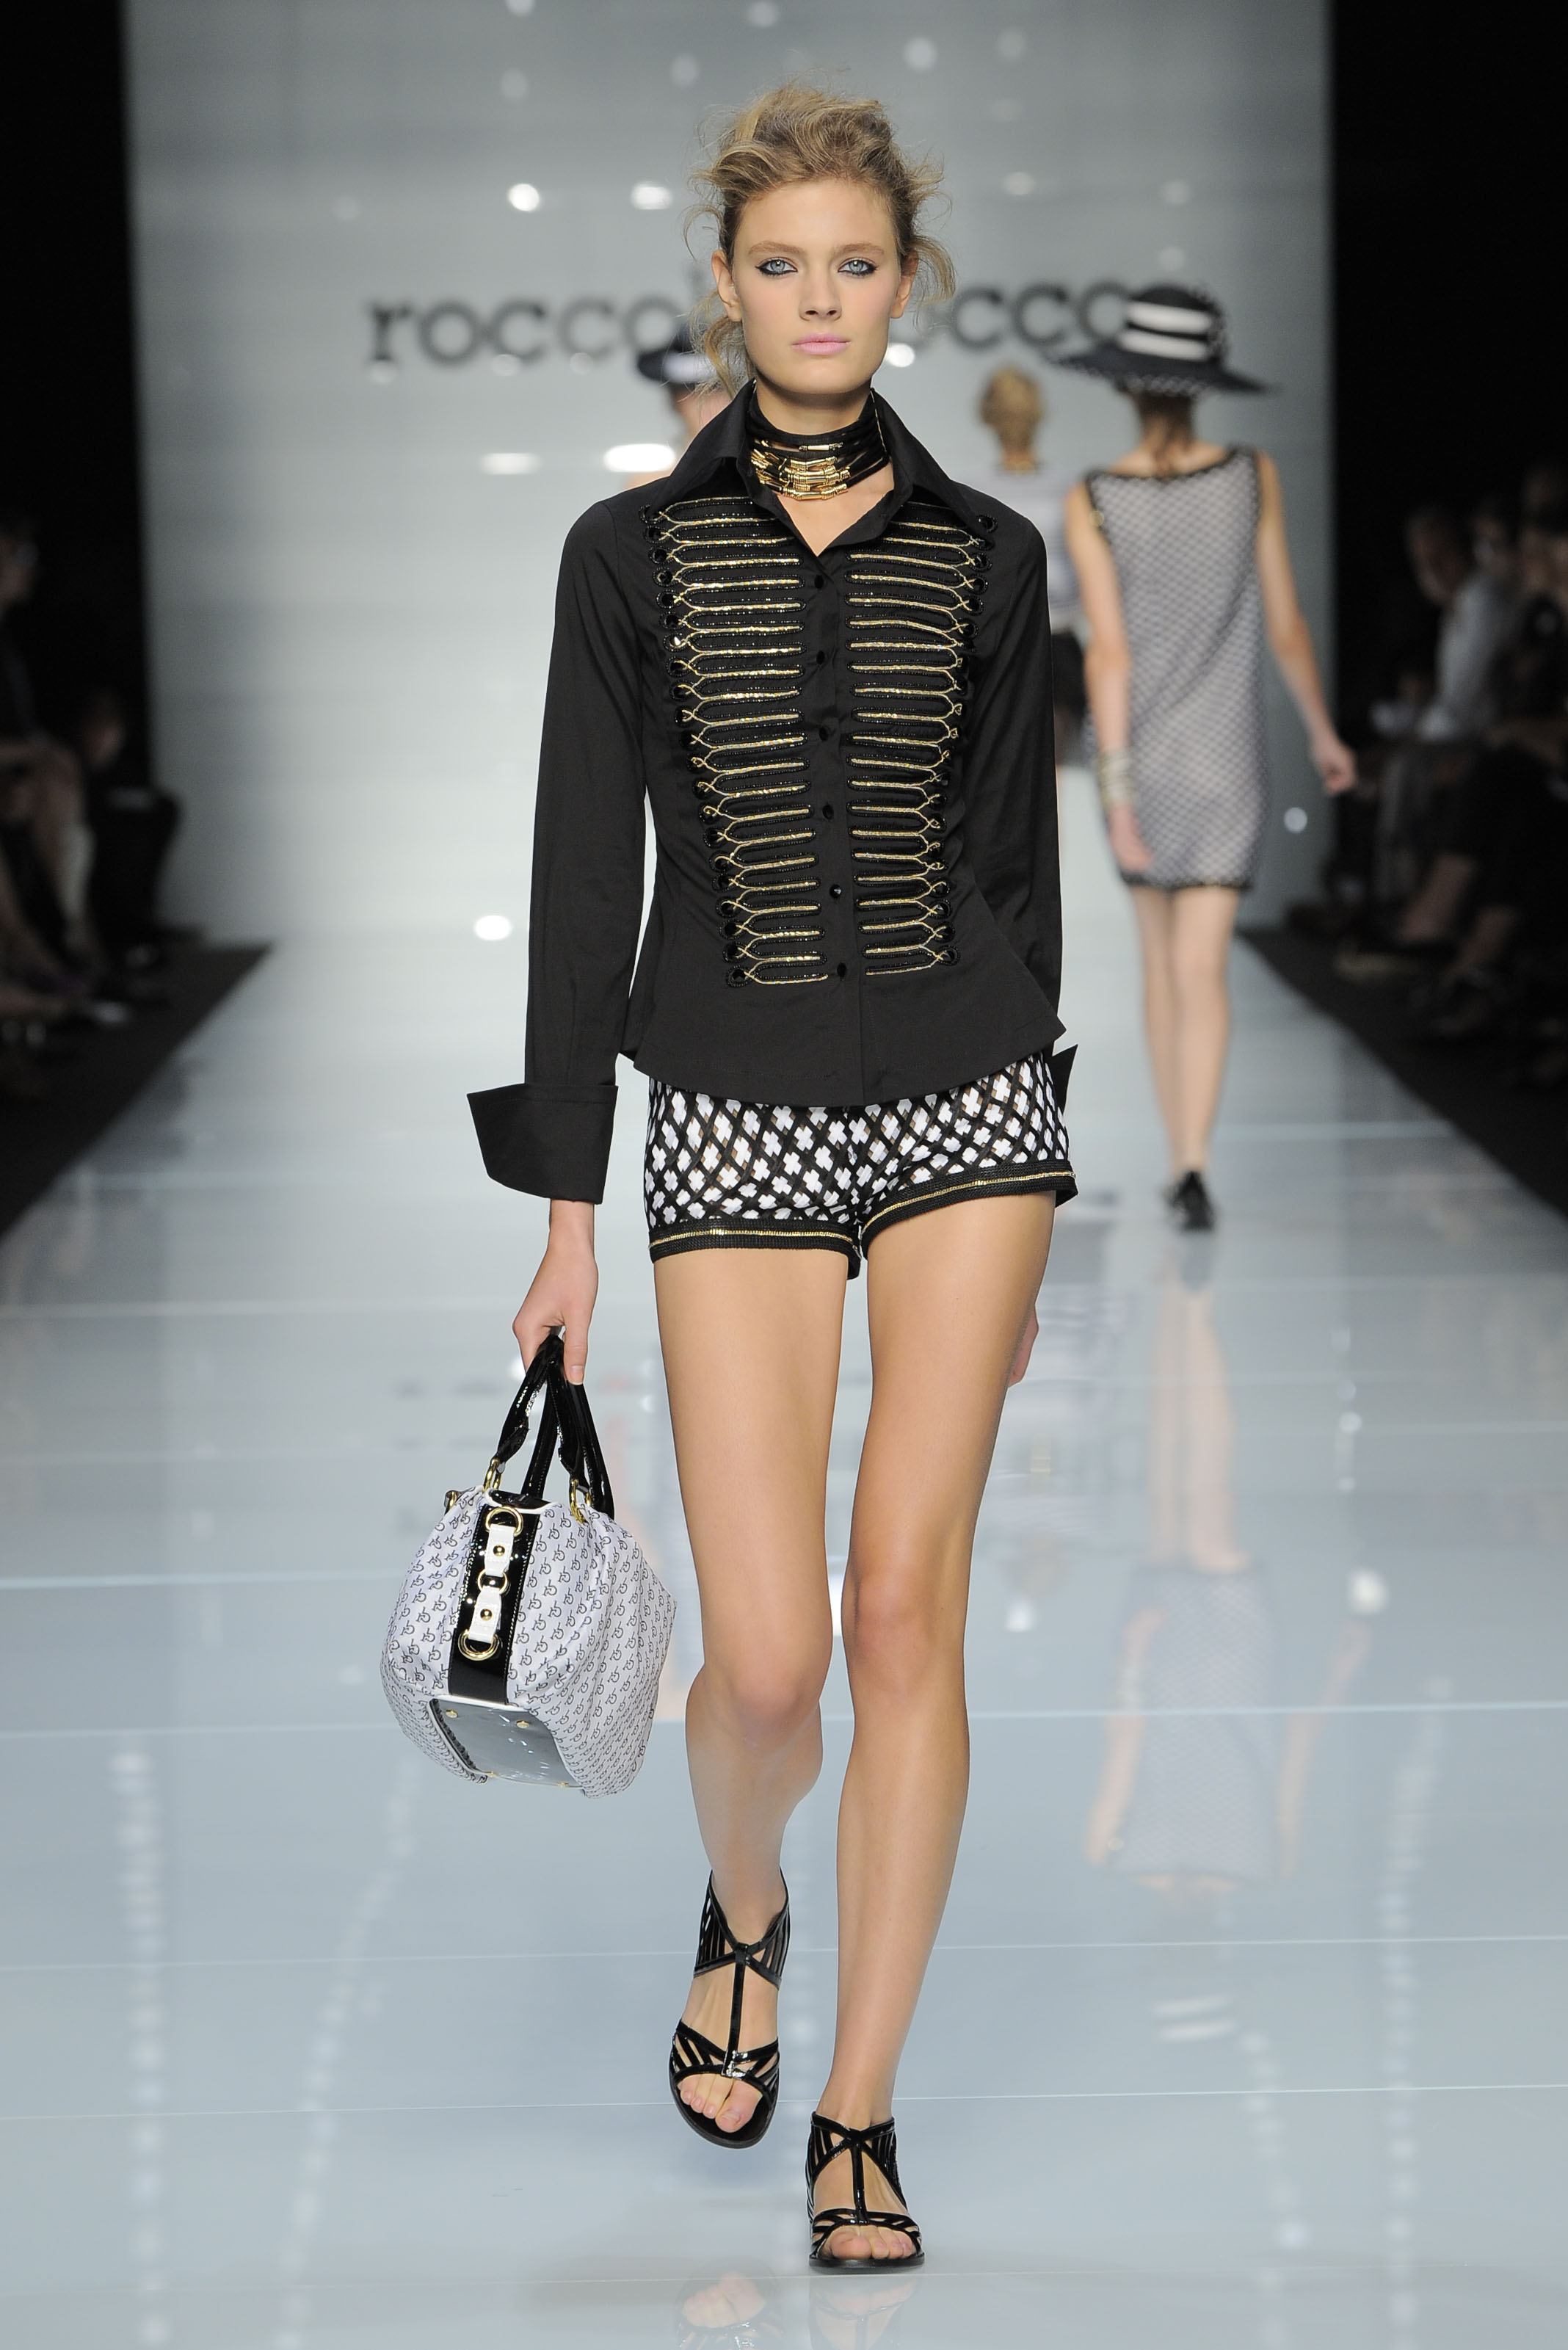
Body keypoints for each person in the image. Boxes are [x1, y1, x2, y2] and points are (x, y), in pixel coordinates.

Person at [471, 83, 1075, 2268]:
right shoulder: (627, 557)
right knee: (761, 1666)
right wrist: (564, 1214)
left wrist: (1039, 1174)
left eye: (856, 264)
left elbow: (1016, 875)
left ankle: (859, 2101)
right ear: (726, 286)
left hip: (967, 1108)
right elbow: (579, 882)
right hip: (728, 1101)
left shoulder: (989, 557)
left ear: (906, 286)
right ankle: (745, 1904)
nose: (820, 300)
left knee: (906, 1608)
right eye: (781, 264)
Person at [1059, 286, 1354, 1230]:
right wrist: (1324, 733)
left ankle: (1177, 1152)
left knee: (1160, 965)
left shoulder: (1093, 498)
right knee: (1204, 967)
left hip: (1143, 763)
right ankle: (1194, 1159)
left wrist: (1118, 799)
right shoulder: (1252, 476)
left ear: (1125, 386)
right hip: (1227, 759)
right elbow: (1287, 625)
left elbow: (1108, 655)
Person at [976, 366, 1084, 761]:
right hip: (1049, 641)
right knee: (1048, 773)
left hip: (1004, 645)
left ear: (986, 416)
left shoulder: (972, 493)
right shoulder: (1071, 490)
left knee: (1003, 769)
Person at [623, 325, 733, 487]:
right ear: (674, 400)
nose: (707, 400)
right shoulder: (649, 488)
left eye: (717, 387)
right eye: (692, 390)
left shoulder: (763, 477)